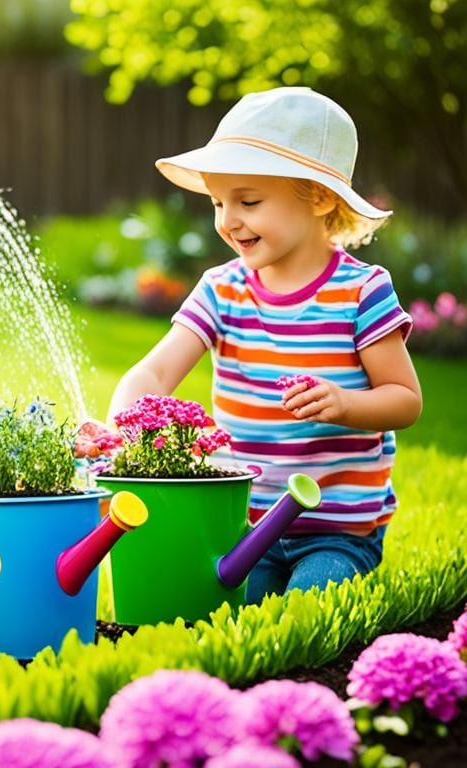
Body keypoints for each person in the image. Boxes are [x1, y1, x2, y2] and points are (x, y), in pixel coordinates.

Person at [108, 87, 422, 604]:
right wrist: (123, 431)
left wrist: (346, 404)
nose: (228, 220)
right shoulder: (221, 289)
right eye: (217, 202)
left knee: (306, 610)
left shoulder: (362, 292)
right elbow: (152, 375)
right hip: (242, 527)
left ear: (319, 197)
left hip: (335, 530)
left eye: (248, 201)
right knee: (228, 613)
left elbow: (405, 400)